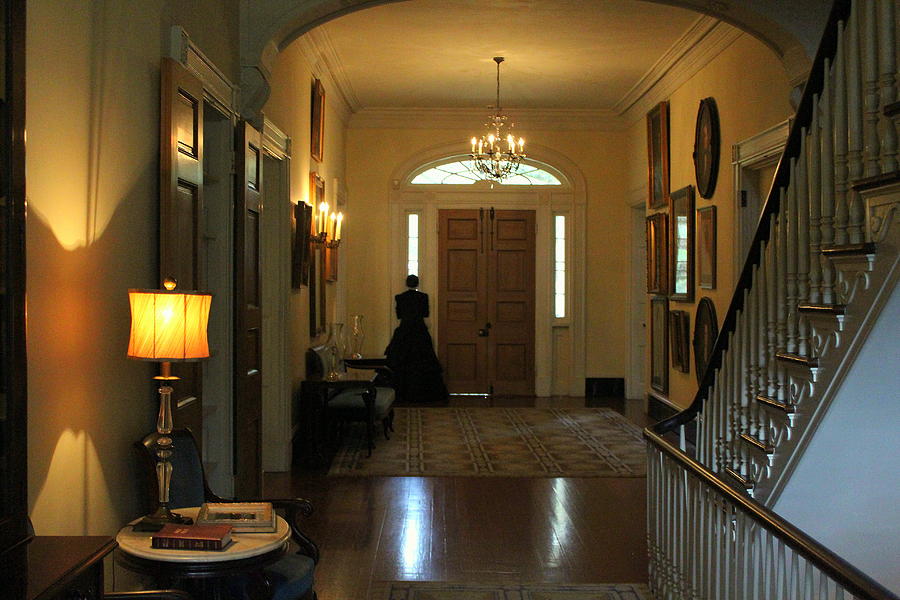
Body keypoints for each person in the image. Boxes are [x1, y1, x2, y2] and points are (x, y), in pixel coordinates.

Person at [384, 275, 449, 404]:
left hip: (404, 332)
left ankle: (400, 393)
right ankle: (425, 394)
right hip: (420, 331)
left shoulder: (400, 297)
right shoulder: (423, 297)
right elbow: (426, 313)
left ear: (406, 283)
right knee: (423, 360)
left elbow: (399, 315)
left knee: (400, 360)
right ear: (417, 284)